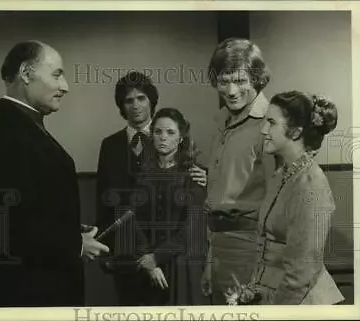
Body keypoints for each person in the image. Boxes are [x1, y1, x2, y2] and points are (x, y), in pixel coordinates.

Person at [0, 40, 109, 307]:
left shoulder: (18, 125)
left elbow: (30, 203)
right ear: (25, 73)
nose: (65, 86)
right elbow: (7, 227)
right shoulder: (7, 133)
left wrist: (70, 227)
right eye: (57, 74)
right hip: (29, 293)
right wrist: (74, 245)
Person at [96, 71, 207, 306]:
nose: (135, 105)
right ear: (121, 106)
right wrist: (107, 249)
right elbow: (103, 199)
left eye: (141, 98)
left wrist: (207, 179)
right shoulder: (110, 145)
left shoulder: (182, 156)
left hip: (171, 255)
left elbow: (193, 220)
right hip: (127, 251)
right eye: (128, 100)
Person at [250, 91, 344, 304]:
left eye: (271, 122)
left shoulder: (311, 185)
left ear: (295, 132)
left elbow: (301, 272)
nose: (263, 130)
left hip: (300, 301)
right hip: (274, 293)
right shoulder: (282, 175)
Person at [201, 38, 275, 304]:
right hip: (220, 247)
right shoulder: (221, 121)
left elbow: (281, 208)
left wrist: (264, 271)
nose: (231, 91)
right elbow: (217, 200)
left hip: (253, 251)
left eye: (240, 80)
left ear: (257, 78)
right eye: (223, 81)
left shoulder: (272, 124)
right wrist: (211, 261)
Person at [131, 108, 207, 305]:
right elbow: (135, 221)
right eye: (158, 132)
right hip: (150, 266)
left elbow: (192, 228)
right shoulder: (144, 174)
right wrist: (149, 262)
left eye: (170, 132)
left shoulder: (194, 175)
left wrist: (157, 257)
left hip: (183, 264)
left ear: (181, 137)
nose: (163, 138)